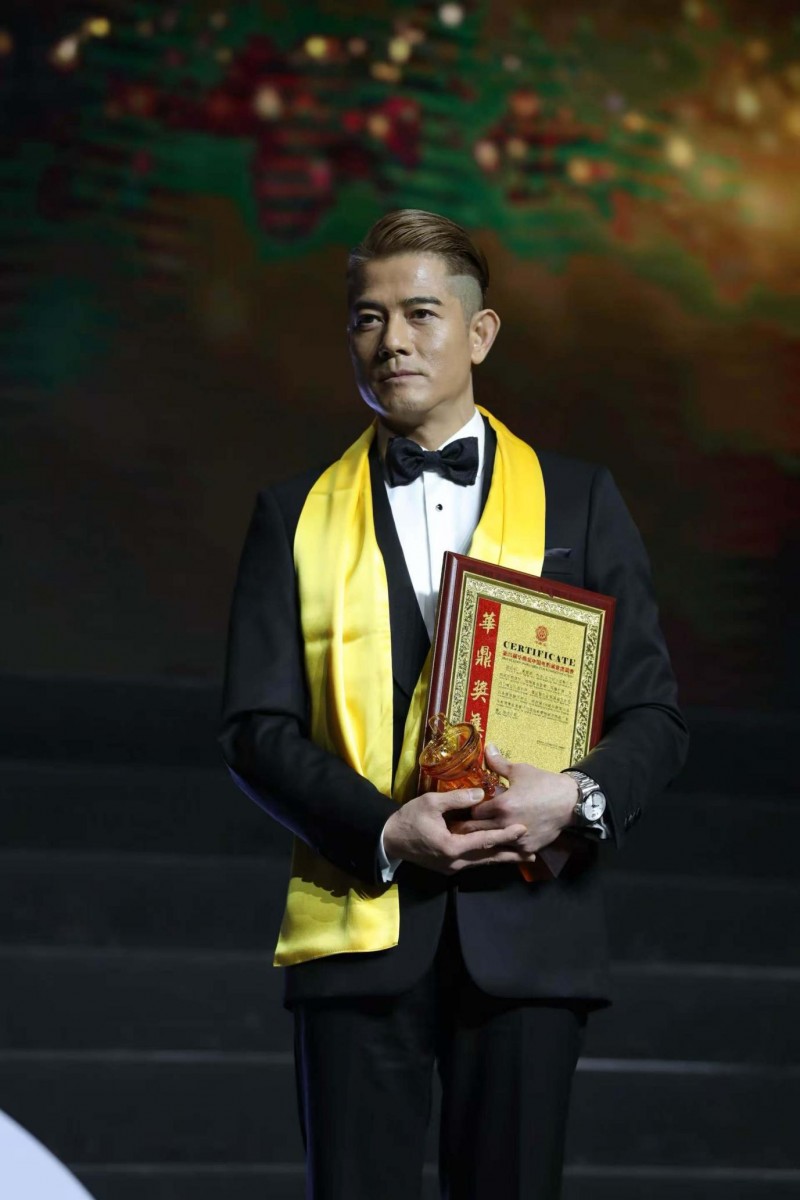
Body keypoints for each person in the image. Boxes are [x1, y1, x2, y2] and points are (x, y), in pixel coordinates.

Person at [219, 209, 689, 1200]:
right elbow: (256, 732)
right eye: (367, 318)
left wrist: (573, 798)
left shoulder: (579, 500)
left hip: (530, 932)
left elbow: (653, 715)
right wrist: (382, 830)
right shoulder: (291, 513)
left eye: (420, 313)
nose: (391, 340)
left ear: (480, 333)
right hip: (360, 925)